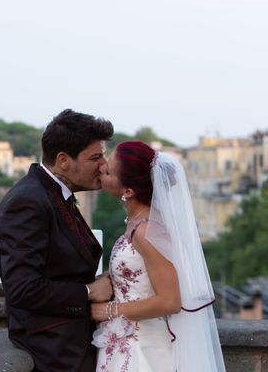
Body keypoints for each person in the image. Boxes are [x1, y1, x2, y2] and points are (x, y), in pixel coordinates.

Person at [0, 109, 114, 372]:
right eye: (95, 157)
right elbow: (23, 289)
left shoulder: (51, 193)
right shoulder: (28, 202)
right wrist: (89, 292)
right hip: (54, 351)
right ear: (63, 160)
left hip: (73, 343)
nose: (104, 164)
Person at [92, 141, 225, 371]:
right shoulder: (138, 223)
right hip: (125, 342)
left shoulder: (146, 231)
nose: (102, 167)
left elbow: (170, 301)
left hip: (142, 350)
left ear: (128, 191)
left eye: (109, 171)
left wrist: (110, 310)